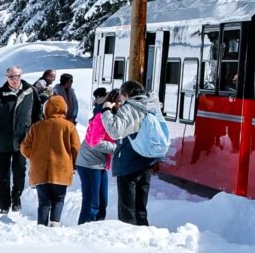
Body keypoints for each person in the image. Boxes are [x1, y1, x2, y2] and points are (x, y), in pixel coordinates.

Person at [0, 66, 35, 216]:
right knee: (2, 175)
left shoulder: (30, 92)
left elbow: (37, 115)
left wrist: (36, 134)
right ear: (6, 78)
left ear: (21, 76)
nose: (14, 79)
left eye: (17, 76)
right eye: (11, 77)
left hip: (22, 141)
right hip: (2, 141)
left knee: (19, 172)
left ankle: (16, 196)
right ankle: (4, 205)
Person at [23, 91, 78, 227]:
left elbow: (24, 148)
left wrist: (35, 155)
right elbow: (76, 148)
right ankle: (54, 223)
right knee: (59, 198)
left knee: (43, 201)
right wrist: (74, 165)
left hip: (40, 169)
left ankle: (41, 225)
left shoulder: (36, 126)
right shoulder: (69, 127)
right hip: (62, 169)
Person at [108, 78, 156, 226]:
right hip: (146, 161)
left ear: (127, 94)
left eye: (121, 95)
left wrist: (106, 112)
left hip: (129, 161)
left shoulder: (129, 108)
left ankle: (128, 243)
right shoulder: (152, 106)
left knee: (127, 209)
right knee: (141, 208)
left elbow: (115, 131)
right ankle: (143, 237)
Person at [76, 89, 116, 224]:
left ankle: (96, 230)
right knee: (92, 203)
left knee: (102, 202)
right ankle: (83, 231)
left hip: (100, 163)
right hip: (89, 163)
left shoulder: (113, 118)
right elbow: (95, 142)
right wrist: (118, 148)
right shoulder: (100, 116)